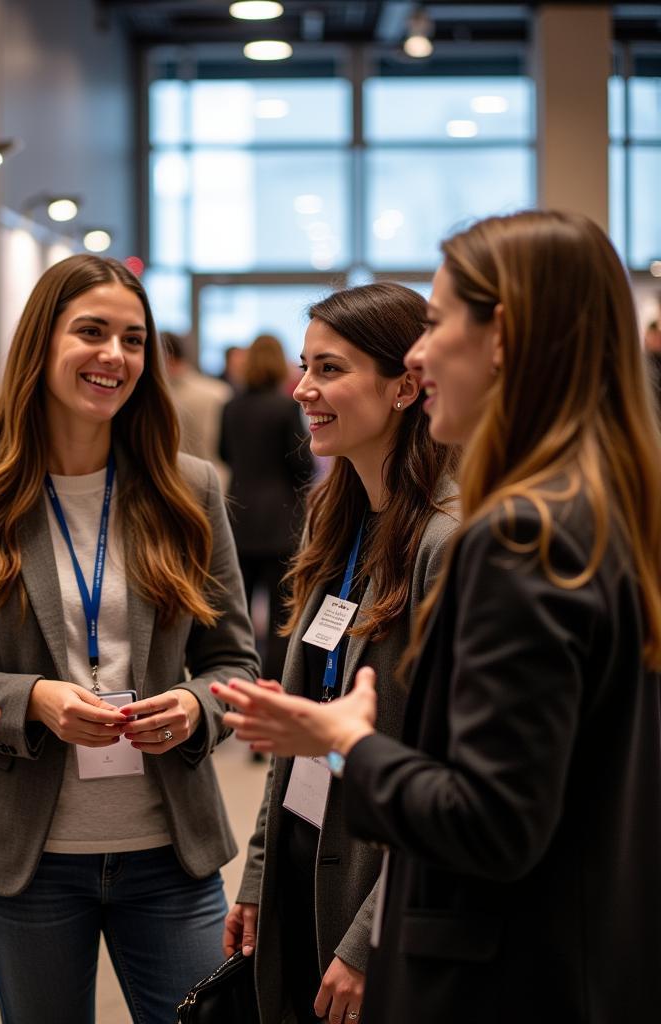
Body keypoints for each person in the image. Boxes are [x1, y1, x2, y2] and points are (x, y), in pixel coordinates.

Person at [213, 210, 661, 1021]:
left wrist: (345, 740)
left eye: (438, 321)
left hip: (506, 968)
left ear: (503, 338)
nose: (421, 356)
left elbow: (491, 819)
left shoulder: (514, 534)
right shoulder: (603, 511)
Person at [0, 253, 260, 1024]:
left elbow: (234, 662)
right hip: (27, 859)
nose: (115, 356)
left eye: (133, 339)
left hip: (171, 851)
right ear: (42, 344)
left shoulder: (188, 489)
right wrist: (31, 700)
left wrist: (197, 709)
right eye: (91, 332)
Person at [222, 285, 457, 1024]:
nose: (302, 390)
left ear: (403, 387)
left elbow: (444, 769)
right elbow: (302, 723)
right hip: (306, 852)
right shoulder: (338, 520)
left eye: (329, 369)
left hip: (375, 886)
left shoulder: (445, 542)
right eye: (303, 366)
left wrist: (367, 941)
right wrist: (259, 873)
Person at [220, 333, 315, 682]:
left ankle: (235, 676)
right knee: (281, 612)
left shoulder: (231, 406)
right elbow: (302, 464)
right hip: (281, 520)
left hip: (239, 516)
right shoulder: (285, 407)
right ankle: (274, 681)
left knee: (238, 609)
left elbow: (224, 453)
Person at [160, 329, 233, 489]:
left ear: (167, 359)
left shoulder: (163, 397)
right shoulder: (220, 391)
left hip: (181, 484)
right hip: (219, 481)